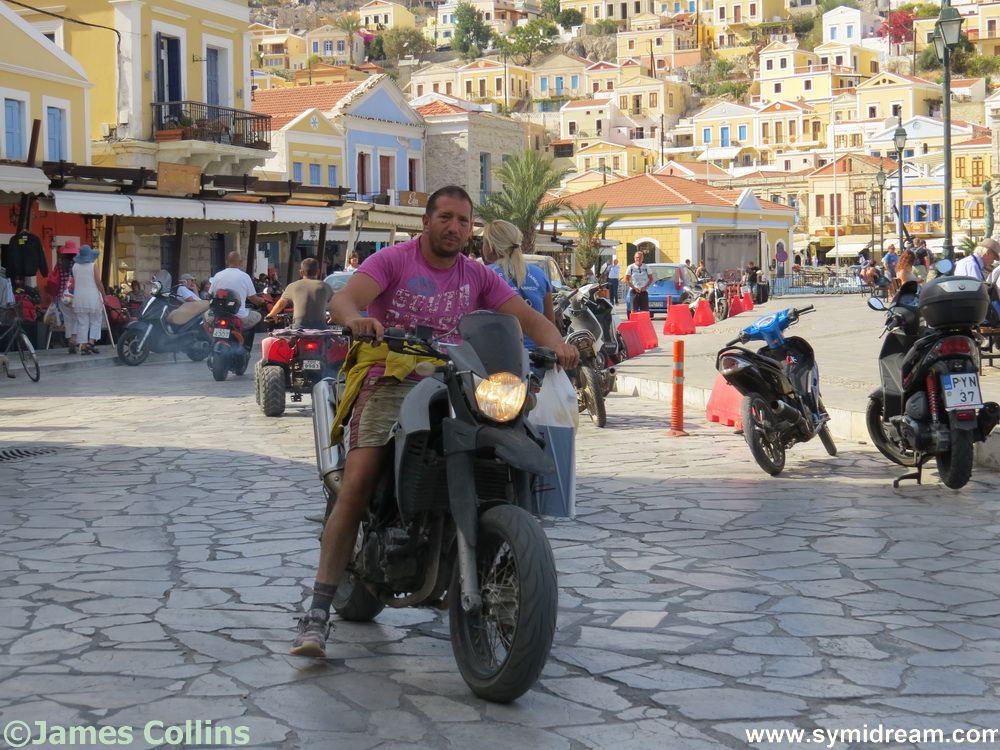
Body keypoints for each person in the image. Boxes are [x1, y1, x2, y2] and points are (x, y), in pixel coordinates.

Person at [289, 186, 579, 657]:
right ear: (426, 221)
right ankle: (317, 611)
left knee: (509, 437)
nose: (454, 227)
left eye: (463, 220)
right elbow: (345, 300)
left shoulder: (477, 274)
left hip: (459, 378)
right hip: (392, 375)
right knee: (358, 482)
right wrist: (357, 319)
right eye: (445, 217)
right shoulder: (394, 260)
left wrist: (559, 344)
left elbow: (527, 318)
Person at [481, 220, 555, 347]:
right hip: (537, 356)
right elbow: (550, 324)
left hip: (497, 356)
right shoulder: (539, 274)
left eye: (483, 243)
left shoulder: (483, 275)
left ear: (491, 247)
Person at [208, 251, 265, 349]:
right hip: (239, 316)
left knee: (205, 317)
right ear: (240, 262)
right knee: (257, 316)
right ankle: (247, 347)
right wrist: (262, 301)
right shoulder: (244, 276)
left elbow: (210, 294)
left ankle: (210, 342)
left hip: (218, 314)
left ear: (227, 262)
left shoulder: (217, 275)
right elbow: (253, 298)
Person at [266, 257, 333, 329]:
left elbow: (281, 304)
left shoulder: (292, 286)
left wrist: (271, 314)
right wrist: (333, 318)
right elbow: (335, 304)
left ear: (301, 272)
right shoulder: (325, 286)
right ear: (318, 272)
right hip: (321, 326)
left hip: (299, 326)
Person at [69, 245, 105, 355]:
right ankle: (91, 342)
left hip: (79, 298)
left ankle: (83, 346)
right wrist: (104, 295)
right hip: (92, 297)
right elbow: (98, 283)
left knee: (82, 323)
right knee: (96, 320)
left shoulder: (75, 266)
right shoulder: (93, 266)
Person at [46, 240, 79, 353]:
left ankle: (70, 340)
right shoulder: (77, 264)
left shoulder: (59, 264)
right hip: (75, 296)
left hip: (62, 296)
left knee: (68, 320)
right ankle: (74, 339)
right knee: (77, 319)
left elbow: (55, 281)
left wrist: (54, 296)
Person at [625, 251, 652, 316]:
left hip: (643, 291)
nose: (638, 259)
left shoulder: (646, 267)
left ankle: (644, 322)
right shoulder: (630, 267)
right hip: (634, 291)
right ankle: (634, 322)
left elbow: (651, 279)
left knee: (645, 312)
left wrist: (645, 287)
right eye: (637, 257)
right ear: (634, 258)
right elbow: (626, 279)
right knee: (634, 312)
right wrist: (634, 288)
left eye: (640, 257)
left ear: (642, 258)